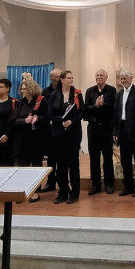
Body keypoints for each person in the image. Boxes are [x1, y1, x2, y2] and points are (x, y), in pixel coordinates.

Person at [48, 70, 84, 204]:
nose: (71, 80)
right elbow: (50, 113)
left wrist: (71, 122)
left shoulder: (77, 94)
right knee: (61, 163)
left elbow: (81, 112)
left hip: (73, 133)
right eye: (68, 78)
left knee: (73, 163)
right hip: (58, 133)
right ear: (62, 80)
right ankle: (62, 191)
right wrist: (60, 121)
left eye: (72, 78)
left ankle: (74, 193)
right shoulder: (54, 94)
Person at [11, 78, 49, 203]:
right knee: (23, 165)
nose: (22, 90)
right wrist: (24, 121)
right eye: (21, 88)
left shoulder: (40, 101)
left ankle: (36, 191)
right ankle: (24, 191)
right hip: (22, 139)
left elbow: (47, 118)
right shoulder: (20, 103)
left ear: (32, 89)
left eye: (25, 88)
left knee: (36, 165)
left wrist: (38, 118)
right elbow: (13, 120)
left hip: (36, 138)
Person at [84, 69, 117, 195]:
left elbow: (114, 108)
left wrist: (103, 104)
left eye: (101, 75)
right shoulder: (90, 91)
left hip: (107, 128)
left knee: (108, 157)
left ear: (106, 77)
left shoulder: (112, 90)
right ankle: (95, 185)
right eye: (97, 75)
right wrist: (95, 106)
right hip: (93, 128)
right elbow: (86, 108)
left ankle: (109, 184)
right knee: (94, 158)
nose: (99, 77)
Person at [114, 70, 135, 197]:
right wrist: (115, 131)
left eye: (125, 78)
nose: (123, 81)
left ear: (131, 78)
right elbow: (116, 114)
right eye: (121, 79)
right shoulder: (119, 93)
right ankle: (128, 186)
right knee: (125, 161)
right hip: (122, 131)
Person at [40, 68, 62, 193]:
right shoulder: (45, 92)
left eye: (59, 76)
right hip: (49, 129)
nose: (57, 79)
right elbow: (44, 110)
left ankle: (64, 182)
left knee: (62, 157)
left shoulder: (65, 91)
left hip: (61, 128)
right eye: (55, 76)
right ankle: (51, 182)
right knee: (51, 158)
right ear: (51, 78)